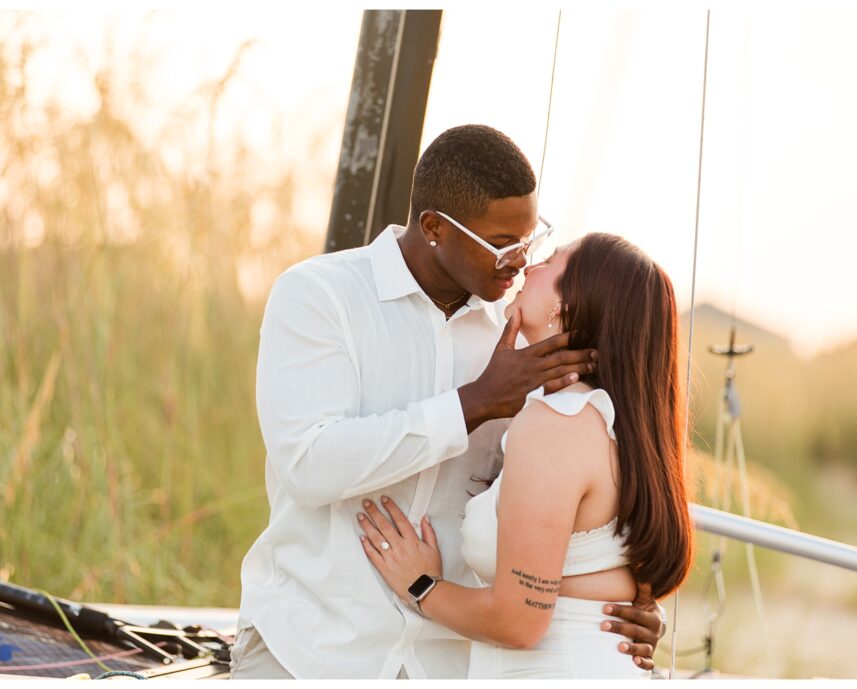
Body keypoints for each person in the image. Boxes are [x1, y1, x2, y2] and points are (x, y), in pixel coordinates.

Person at [230, 125, 664, 679]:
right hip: (310, 648)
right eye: (503, 244)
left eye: (530, 240)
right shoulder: (319, 296)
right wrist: (473, 404)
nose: (520, 260)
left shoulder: (526, 333)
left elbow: (590, 489)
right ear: (434, 228)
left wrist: (633, 605)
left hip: (451, 662)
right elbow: (308, 465)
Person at [357, 232, 693, 678]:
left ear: (568, 304)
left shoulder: (557, 423)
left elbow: (520, 622)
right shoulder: (611, 423)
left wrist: (422, 586)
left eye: (551, 261)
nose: (530, 266)